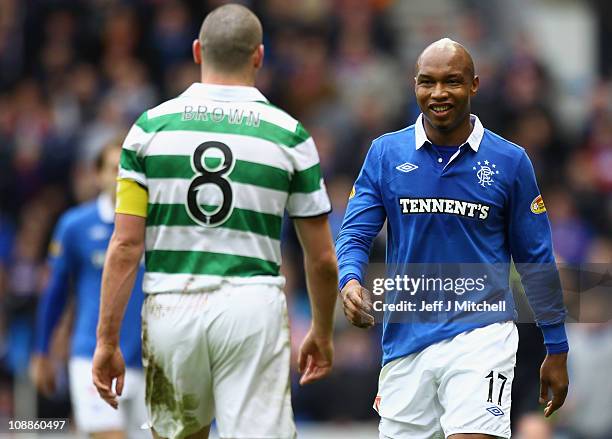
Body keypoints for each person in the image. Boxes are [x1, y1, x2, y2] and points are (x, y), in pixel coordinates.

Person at [92, 4, 338, 439]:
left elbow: (126, 246)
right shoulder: (290, 135)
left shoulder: (148, 130)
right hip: (251, 306)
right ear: (259, 56)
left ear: (196, 51)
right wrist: (321, 330)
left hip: (171, 307)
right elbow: (319, 259)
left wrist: (107, 341)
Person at [336, 38, 569, 439]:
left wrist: (557, 347)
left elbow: (537, 259)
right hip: (406, 342)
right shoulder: (385, 154)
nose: (439, 93)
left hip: (483, 336)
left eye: (453, 82)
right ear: (414, 85)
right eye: (428, 82)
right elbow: (355, 232)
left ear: (474, 85)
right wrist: (351, 280)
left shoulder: (510, 161)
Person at [31, 141, 147, 439]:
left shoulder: (155, 226)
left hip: (150, 360)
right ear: (97, 175)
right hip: (92, 354)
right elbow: (55, 292)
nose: (122, 177)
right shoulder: (75, 225)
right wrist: (42, 351)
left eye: (129, 169)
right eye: (113, 169)